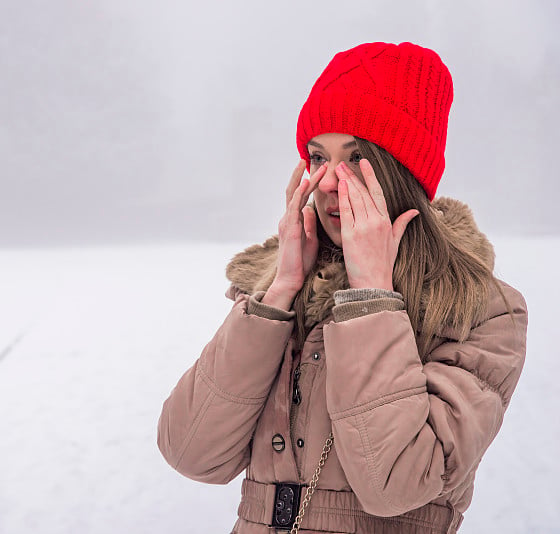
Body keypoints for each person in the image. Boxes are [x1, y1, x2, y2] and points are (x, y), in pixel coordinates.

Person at [156, 41, 528, 534]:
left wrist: (373, 298)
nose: (329, 181)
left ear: (402, 172)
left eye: (356, 158)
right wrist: (279, 290)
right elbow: (191, 453)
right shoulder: (281, 297)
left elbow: (396, 483)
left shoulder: (479, 310)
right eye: (317, 156)